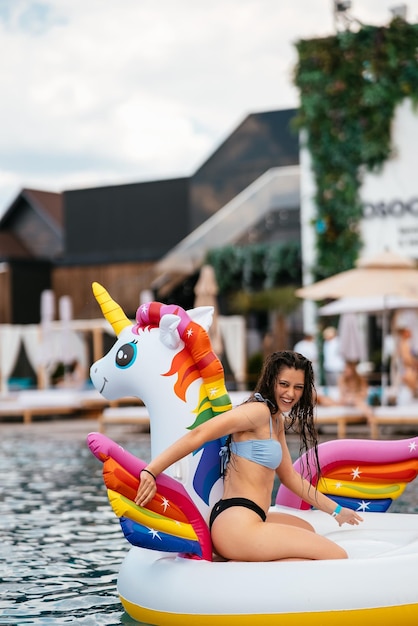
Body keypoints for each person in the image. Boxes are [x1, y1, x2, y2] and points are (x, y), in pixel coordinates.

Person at [135, 351, 363, 562]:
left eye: (298, 387)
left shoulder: (276, 420)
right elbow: (200, 433)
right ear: (271, 380)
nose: (290, 393)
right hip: (236, 524)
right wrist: (151, 470)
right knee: (336, 554)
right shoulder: (256, 412)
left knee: (308, 529)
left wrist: (337, 511)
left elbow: (290, 478)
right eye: (284, 384)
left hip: (254, 516)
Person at [394, 326, 418, 399]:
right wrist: (414, 364)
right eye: (408, 331)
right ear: (404, 333)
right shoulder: (404, 344)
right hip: (408, 370)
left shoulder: (405, 343)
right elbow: (407, 359)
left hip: (409, 369)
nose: (410, 333)